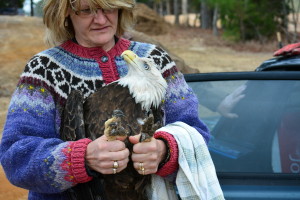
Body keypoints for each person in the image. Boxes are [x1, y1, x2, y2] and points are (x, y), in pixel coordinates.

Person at [0, 0, 220, 199]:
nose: (100, 19)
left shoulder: (156, 60)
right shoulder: (43, 70)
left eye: (109, 8)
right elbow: (16, 158)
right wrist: (80, 158)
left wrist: (165, 151)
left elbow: (196, 136)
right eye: (86, 10)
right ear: (66, 11)